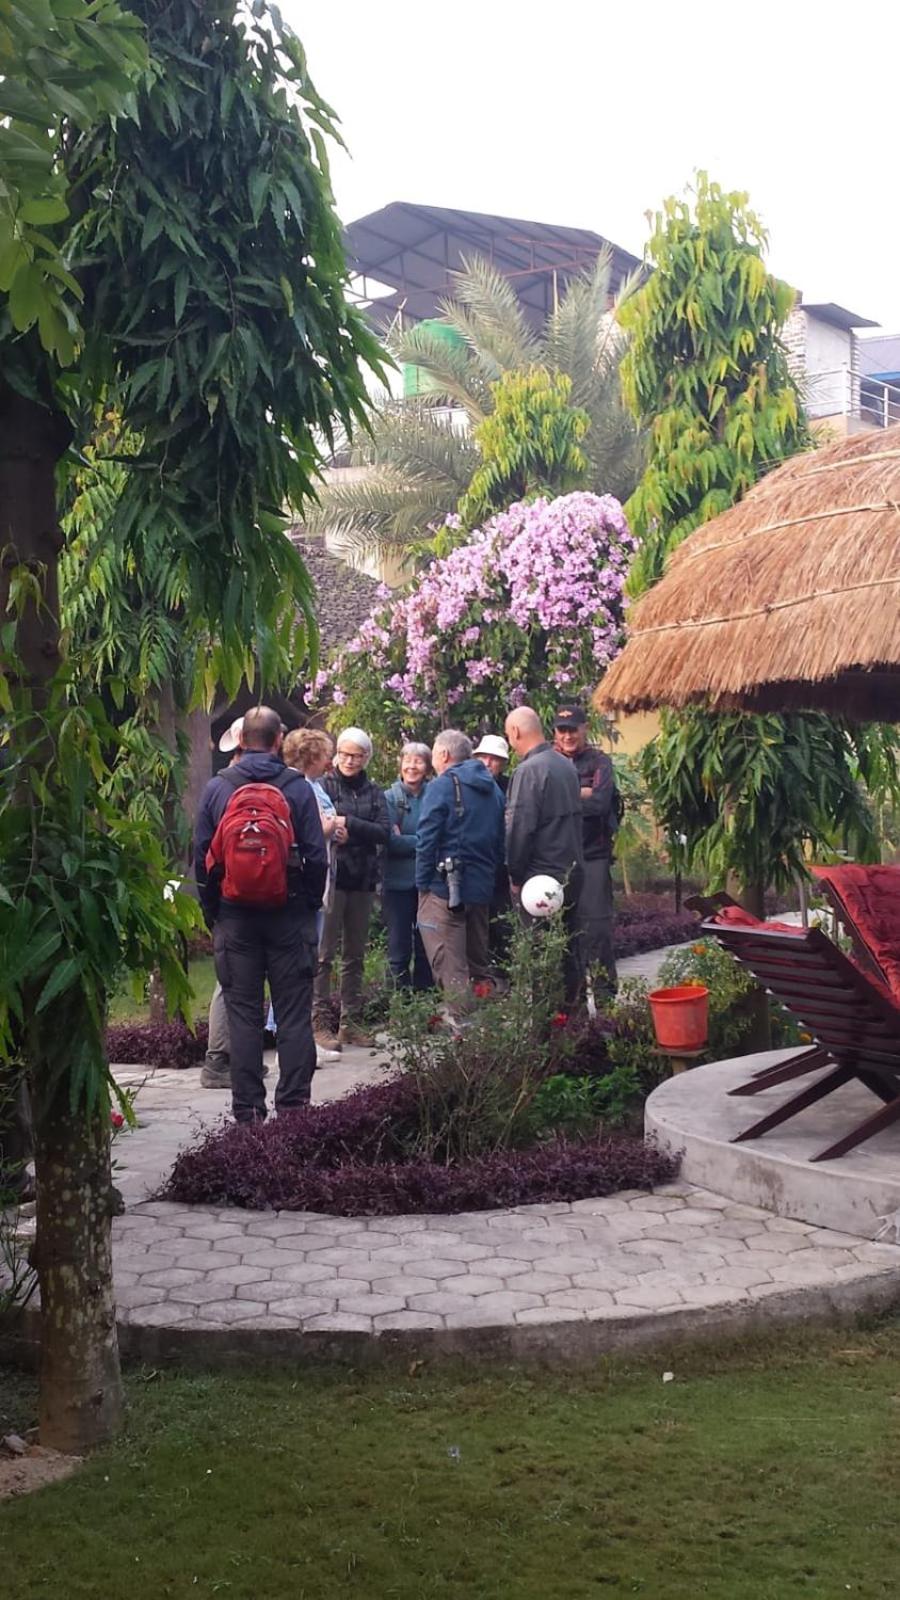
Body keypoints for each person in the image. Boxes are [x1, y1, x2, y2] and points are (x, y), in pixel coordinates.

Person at [194, 705, 326, 1123]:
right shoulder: (297, 788)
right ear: (278, 739)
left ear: (240, 739)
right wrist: (306, 904)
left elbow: (201, 858)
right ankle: (294, 1110)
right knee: (293, 1016)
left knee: (243, 1016)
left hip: (235, 917)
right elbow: (317, 856)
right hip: (289, 914)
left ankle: (248, 1112)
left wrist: (215, 912)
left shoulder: (218, 788)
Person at [415, 729, 505, 1016]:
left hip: (444, 889)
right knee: (478, 960)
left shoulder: (442, 785)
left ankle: (461, 1027)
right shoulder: (493, 789)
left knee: (449, 962)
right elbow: (500, 841)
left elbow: (427, 839)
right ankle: (487, 1022)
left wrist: (423, 884)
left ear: (443, 754)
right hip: (481, 888)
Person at [314, 727, 389, 1050]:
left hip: (363, 879)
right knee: (323, 954)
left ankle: (351, 1023)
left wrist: (349, 825)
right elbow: (317, 823)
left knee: (355, 955)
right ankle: (319, 1023)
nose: (349, 760)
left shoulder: (374, 791)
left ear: (366, 758)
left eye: (356, 756)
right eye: (344, 754)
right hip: (331, 880)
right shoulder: (324, 786)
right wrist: (337, 831)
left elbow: (384, 832)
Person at [504, 706, 584, 1006]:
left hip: (540, 880)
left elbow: (519, 829)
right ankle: (574, 1017)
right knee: (569, 949)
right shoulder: (565, 765)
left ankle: (547, 1021)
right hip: (571, 871)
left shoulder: (528, 771)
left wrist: (515, 875)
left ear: (515, 732)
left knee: (541, 955)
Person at [554, 704, 620, 997]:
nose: (568, 736)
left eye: (573, 730)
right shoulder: (550, 761)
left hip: (594, 857)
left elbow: (600, 803)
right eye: (562, 730)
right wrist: (581, 791)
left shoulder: (600, 761)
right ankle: (573, 1006)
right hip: (559, 861)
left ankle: (607, 1003)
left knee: (597, 931)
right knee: (566, 936)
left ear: (585, 729)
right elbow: (545, 803)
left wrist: (564, 794)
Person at [383, 742, 434, 991]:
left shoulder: (435, 795)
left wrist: (408, 838)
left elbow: (441, 836)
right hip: (397, 883)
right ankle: (397, 1001)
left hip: (428, 883)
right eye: (407, 760)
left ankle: (425, 998)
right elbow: (391, 842)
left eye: (418, 761)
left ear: (427, 767)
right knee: (398, 946)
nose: (412, 766)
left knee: (426, 945)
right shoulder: (389, 797)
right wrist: (425, 840)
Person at [473, 734, 512, 971]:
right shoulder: (467, 786)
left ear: (503, 763)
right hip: (476, 866)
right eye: (483, 757)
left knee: (503, 924)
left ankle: (504, 975)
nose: (488, 763)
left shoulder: (510, 787)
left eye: (494, 759)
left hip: (502, 868)